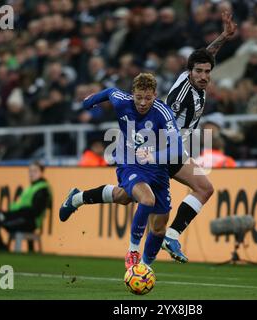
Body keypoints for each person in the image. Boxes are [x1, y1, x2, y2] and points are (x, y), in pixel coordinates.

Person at [60, 11, 238, 264]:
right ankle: (160, 244)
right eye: (199, 72)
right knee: (201, 188)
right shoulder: (180, 99)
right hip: (162, 149)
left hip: (169, 148)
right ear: (190, 72)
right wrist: (155, 151)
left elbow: (204, 57)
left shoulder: (192, 76)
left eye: (207, 72)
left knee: (124, 197)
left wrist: (224, 37)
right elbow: (166, 125)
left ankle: (77, 198)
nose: (204, 76)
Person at [61, 73, 183, 269]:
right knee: (146, 199)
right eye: (139, 97)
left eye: (148, 98)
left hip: (157, 169)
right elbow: (110, 92)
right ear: (132, 93)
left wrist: (154, 157)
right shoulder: (122, 101)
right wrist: (90, 102)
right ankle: (133, 251)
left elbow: (177, 148)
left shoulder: (163, 112)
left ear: (155, 95)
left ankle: (143, 269)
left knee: (155, 224)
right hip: (129, 161)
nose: (143, 103)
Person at [0, 161, 52, 251]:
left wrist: (16, 213)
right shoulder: (31, 187)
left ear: (41, 172)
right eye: (30, 171)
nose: (31, 174)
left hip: (28, 221)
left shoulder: (43, 189)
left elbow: (35, 211)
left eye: (35, 171)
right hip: (18, 216)